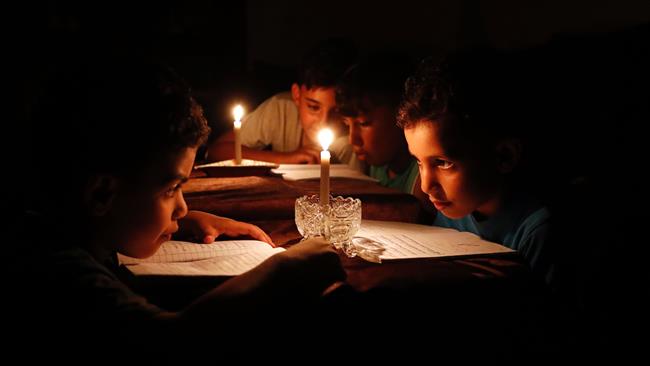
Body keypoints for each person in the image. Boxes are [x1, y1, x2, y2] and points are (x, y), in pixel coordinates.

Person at [8, 55, 345, 361]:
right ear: (100, 195)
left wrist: (182, 222)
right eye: (171, 189)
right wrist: (284, 268)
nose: (183, 207)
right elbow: (173, 342)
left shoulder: (61, 228)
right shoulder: (55, 272)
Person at [396, 50, 554, 285]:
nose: (427, 185)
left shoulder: (538, 232)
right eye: (419, 162)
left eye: (443, 163)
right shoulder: (451, 216)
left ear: (504, 156)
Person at [206, 38, 361, 168]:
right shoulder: (280, 110)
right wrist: (286, 158)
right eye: (313, 107)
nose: (324, 122)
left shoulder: (355, 138)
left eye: (338, 111)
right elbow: (217, 151)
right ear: (297, 95)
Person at [335, 53, 433, 212]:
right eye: (347, 125)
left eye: (364, 123)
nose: (353, 139)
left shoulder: (423, 178)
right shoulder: (376, 164)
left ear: (401, 114)